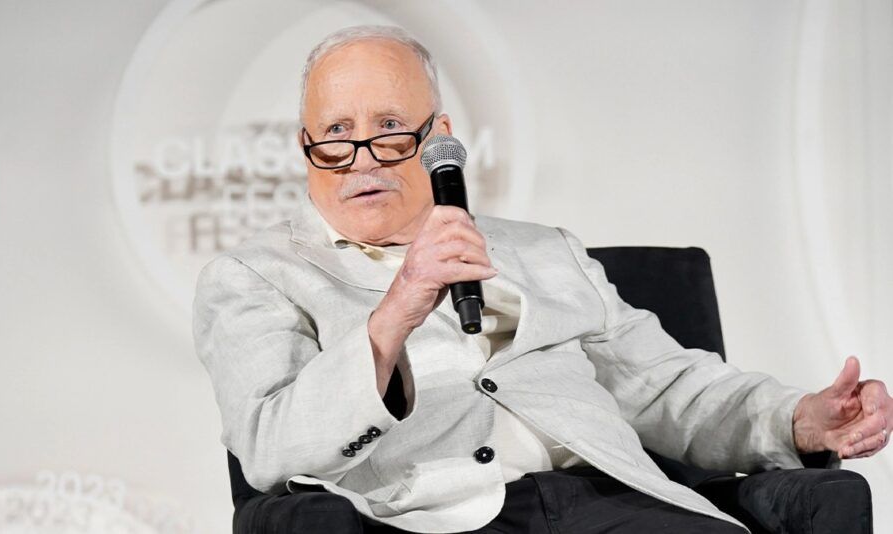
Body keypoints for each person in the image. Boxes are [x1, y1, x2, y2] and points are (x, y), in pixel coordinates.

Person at [192, 25, 890, 533]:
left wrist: (797, 418)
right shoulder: (256, 276)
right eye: (337, 133)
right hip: (425, 517)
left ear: (439, 138)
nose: (363, 157)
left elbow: (667, 389)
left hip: (612, 504)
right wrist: (397, 311)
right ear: (306, 146)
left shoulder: (546, 251)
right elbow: (268, 445)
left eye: (391, 126)